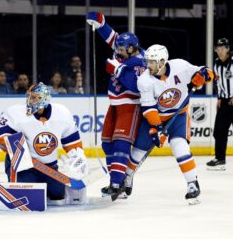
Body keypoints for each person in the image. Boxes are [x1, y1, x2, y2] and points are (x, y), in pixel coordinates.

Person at [123, 44, 214, 204]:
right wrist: (157, 128)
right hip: (154, 117)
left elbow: (204, 71)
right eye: (147, 61)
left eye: (152, 62)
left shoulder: (180, 66)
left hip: (178, 115)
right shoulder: (144, 80)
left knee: (179, 146)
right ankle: (127, 179)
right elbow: (148, 107)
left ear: (162, 62)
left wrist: (205, 75)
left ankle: (192, 184)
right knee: (138, 150)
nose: (148, 65)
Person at [0, 82, 88, 204]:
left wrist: (78, 156)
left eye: (36, 97)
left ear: (45, 99)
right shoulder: (15, 112)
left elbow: (71, 140)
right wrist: (20, 150)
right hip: (23, 166)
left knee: (58, 194)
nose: (31, 100)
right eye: (31, 97)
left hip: (49, 167)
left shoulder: (62, 113)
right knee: (26, 195)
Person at [86, 12, 146, 199]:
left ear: (131, 48)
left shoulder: (141, 61)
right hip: (114, 104)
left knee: (121, 144)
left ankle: (117, 183)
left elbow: (137, 87)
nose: (117, 51)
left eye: (121, 49)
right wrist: (100, 22)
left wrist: (118, 69)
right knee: (107, 144)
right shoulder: (124, 48)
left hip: (130, 105)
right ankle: (116, 180)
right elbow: (111, 37)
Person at [206, 38, 233, 170]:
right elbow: (218, 82)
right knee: (219, 131)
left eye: (222, 48)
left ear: (228, 49)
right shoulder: (216, 63)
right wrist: (219, 97)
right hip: (225, 102)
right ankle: (220, 158)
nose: (219, 51)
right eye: (217, 49)